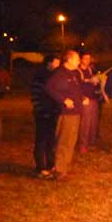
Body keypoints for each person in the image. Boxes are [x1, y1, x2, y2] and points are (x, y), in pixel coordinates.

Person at [45, 50, 88, 179]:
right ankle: (58, 169)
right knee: (64, 141)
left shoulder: (73, 73)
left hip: (75, 112)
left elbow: (75, 90)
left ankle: (64, 167)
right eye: (77, 59)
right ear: (69, 60)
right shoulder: (60, 73)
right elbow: (49, 88)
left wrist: (82, 98)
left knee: (71, 141)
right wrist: (63, 99)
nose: (79, 61)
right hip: (67, 114)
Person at [30, 54, 60, 178]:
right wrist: (42, 110)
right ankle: (40, 167)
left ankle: (50, 165)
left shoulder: (54, 76)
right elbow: (36, 96)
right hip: (42, 113)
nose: (58, 65)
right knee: (41, 140)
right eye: (56, 62)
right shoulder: (40, 77)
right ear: (49, 63)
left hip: (53, 112)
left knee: (51, 140)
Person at [77, 52, 100, 153]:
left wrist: (96, 83)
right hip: (85, 99)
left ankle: (91, 143)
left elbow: (93, 83)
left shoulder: (91, 69)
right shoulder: (78, 71)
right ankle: (83, 144)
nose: (88, 60)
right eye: (85, 58)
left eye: (89, 58)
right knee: (85, 123)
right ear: (81, 59)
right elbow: (77, 86)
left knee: (93, 123)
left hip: (93, 98)